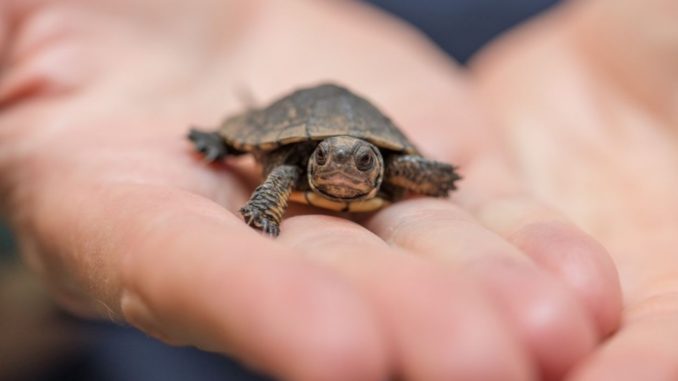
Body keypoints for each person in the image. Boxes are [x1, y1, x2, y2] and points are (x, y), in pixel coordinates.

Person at [0, 0, 674, 380]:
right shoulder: (294, 163)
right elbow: (276, 169)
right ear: (317, 157)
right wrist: (261, 202)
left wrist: (428, 174)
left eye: (359, 160)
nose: (347, 164)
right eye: (334, 158)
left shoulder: (386, 165)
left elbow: (421, 167)